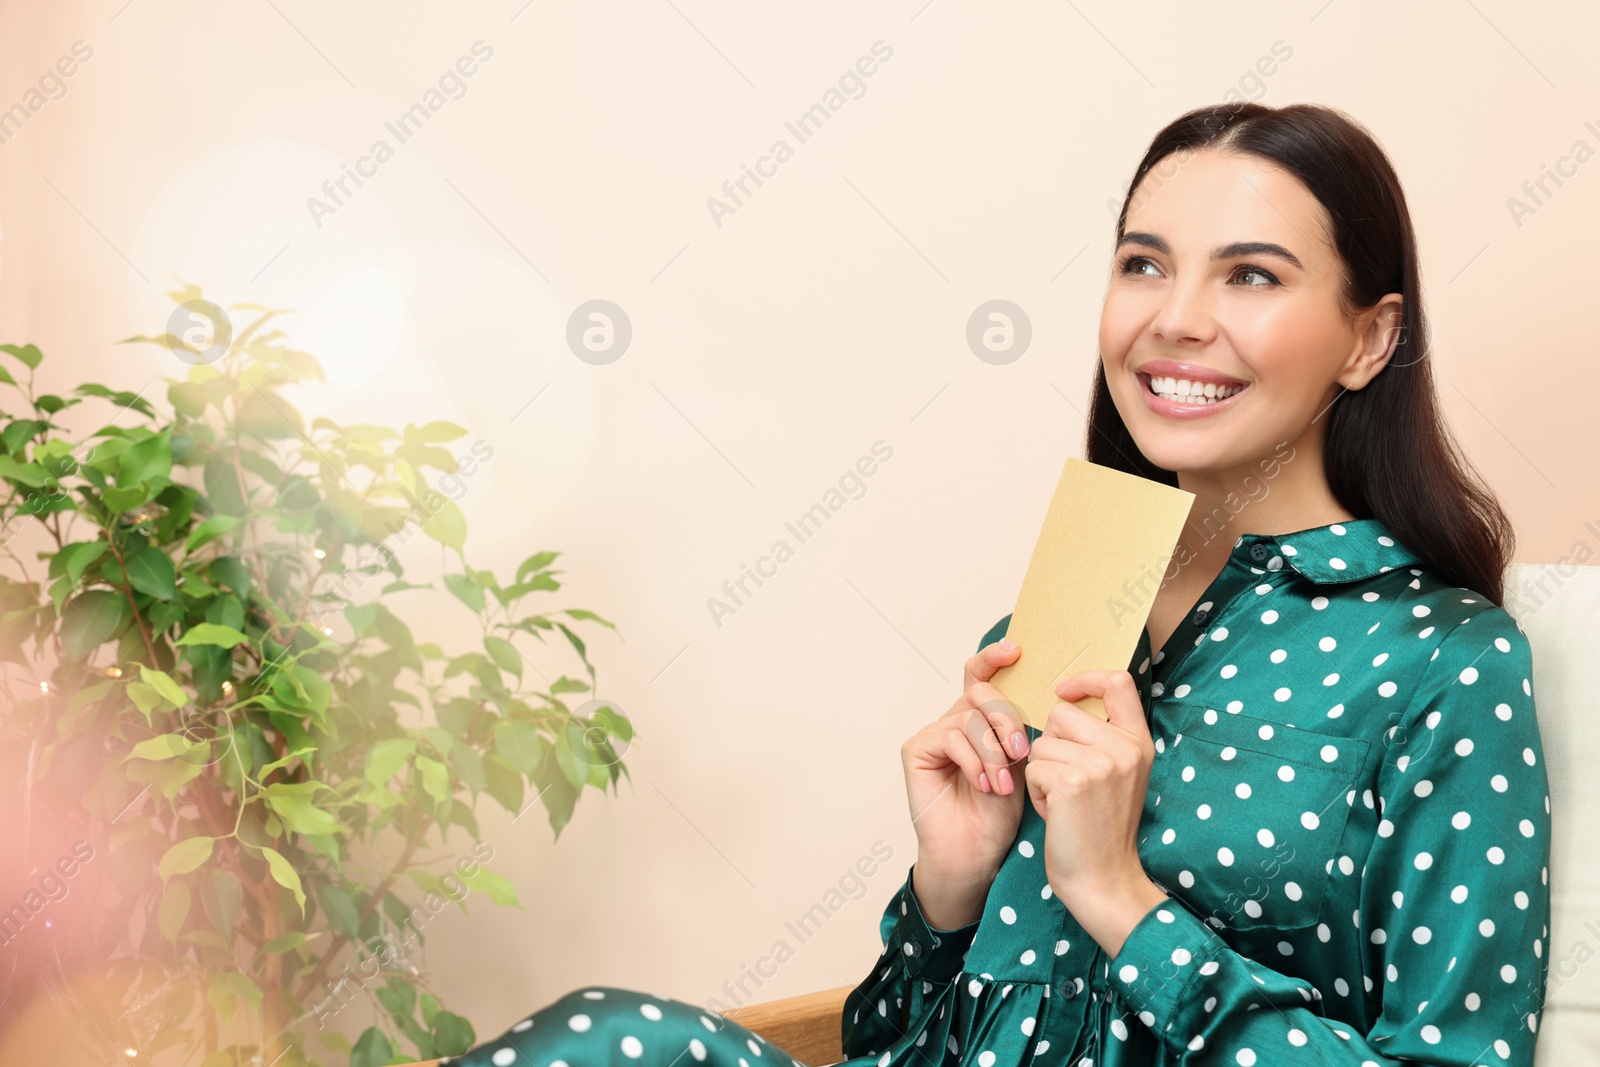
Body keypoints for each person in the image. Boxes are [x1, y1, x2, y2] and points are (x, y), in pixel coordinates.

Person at [441, 100, 1550, 1066]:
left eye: (1250, 274)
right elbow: (891, 1033)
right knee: (603, 1038)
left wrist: (1119, 896)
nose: (1174, 318)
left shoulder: (1442, 659)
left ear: (1369, 337)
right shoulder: (1065, 609)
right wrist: (951, 889)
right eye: (1143, 262)